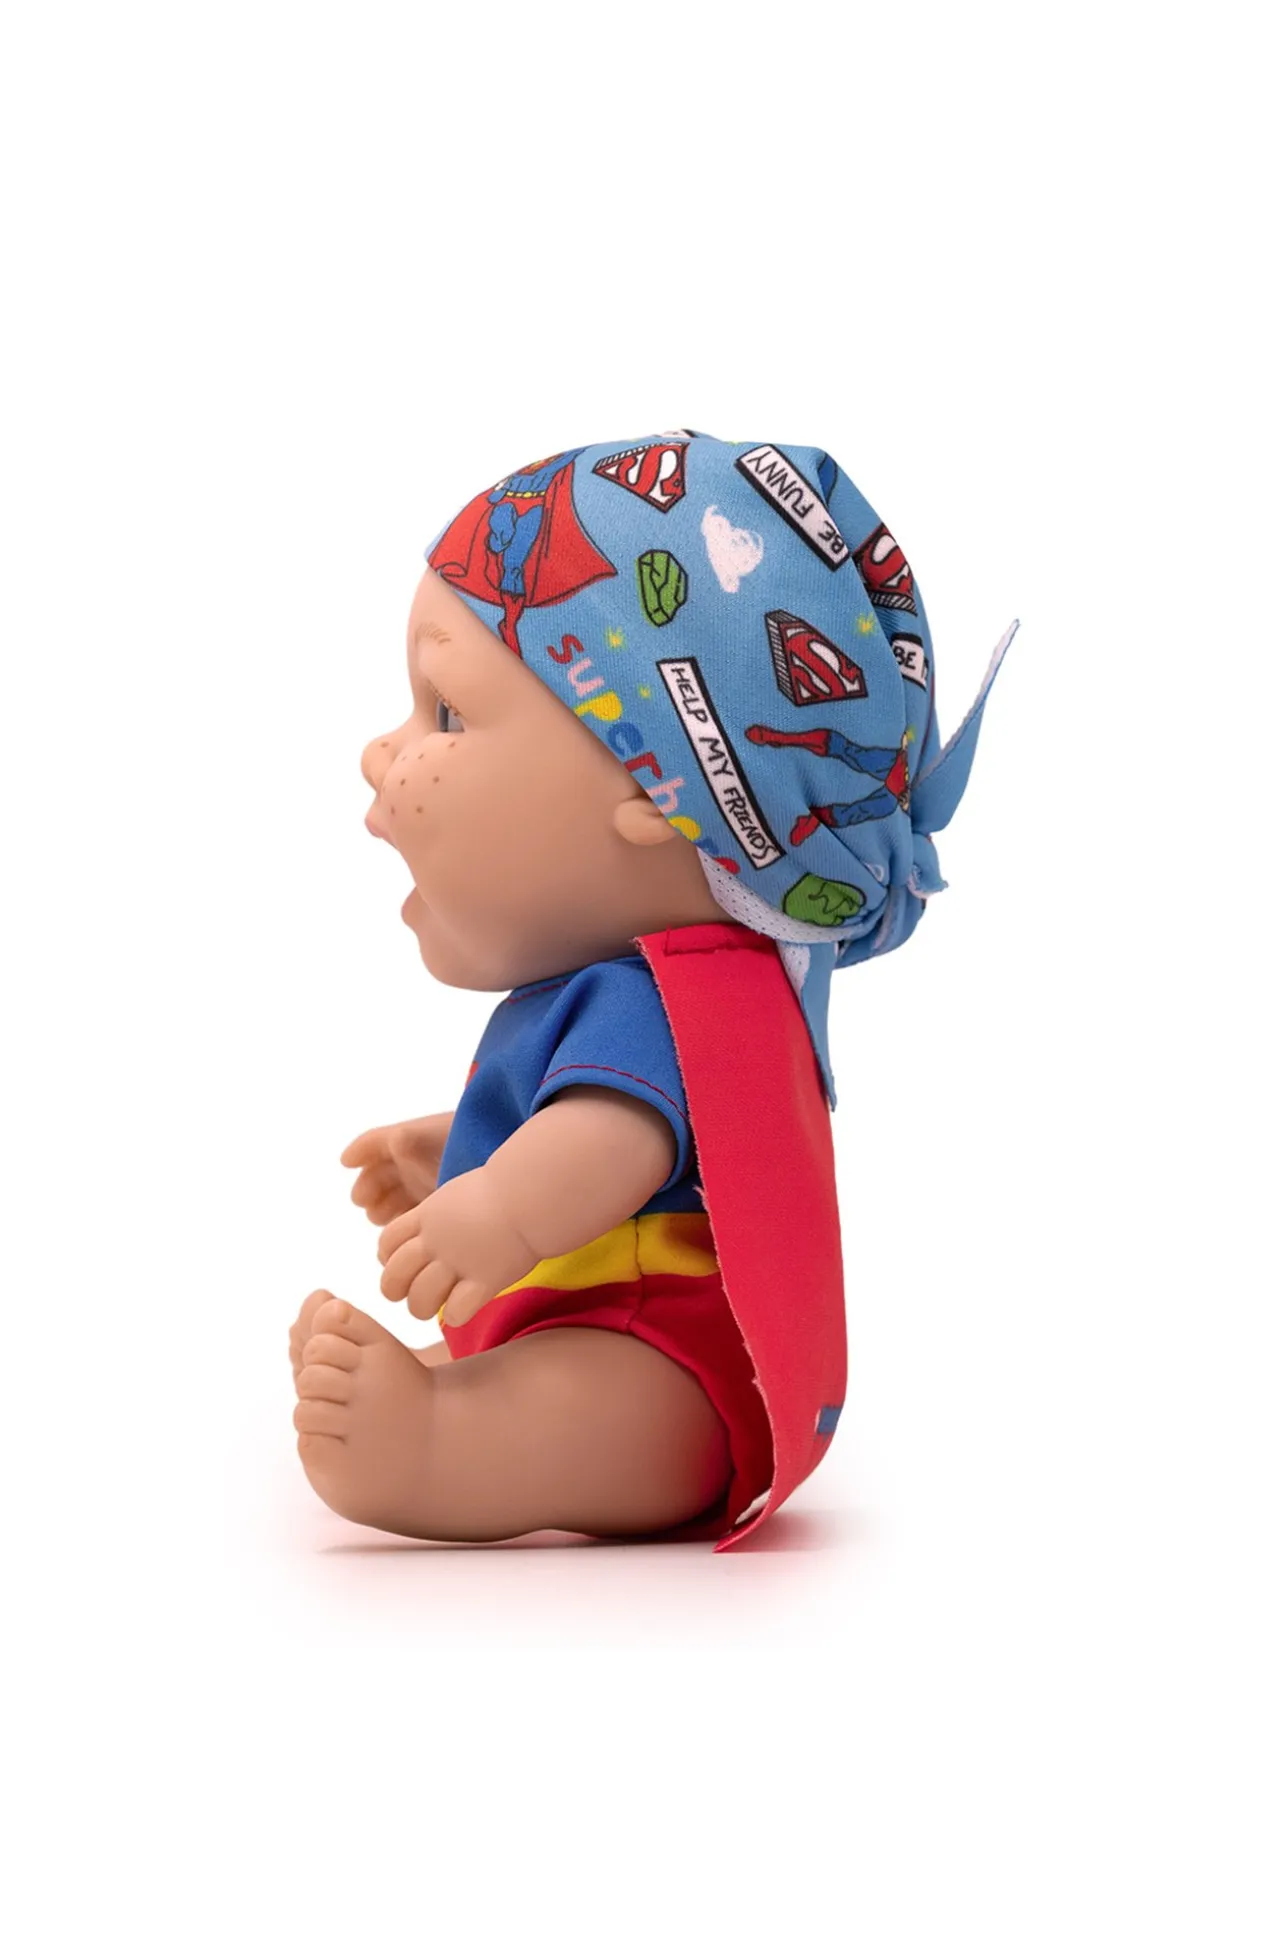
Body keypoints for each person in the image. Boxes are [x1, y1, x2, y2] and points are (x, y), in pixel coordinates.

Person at [288, 432, 1014, 1547]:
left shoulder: (670, 1001)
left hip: (665, 1354)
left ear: (657, 794)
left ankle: (442, 1443)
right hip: (586, 1311)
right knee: (548, 1377)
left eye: (447, 714)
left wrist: (502, 1206)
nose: (383, 752)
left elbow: (617, 1140)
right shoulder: (609, 991)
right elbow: (605, 1130)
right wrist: (455, 1150)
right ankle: (467, 1399)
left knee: (602, 1409)